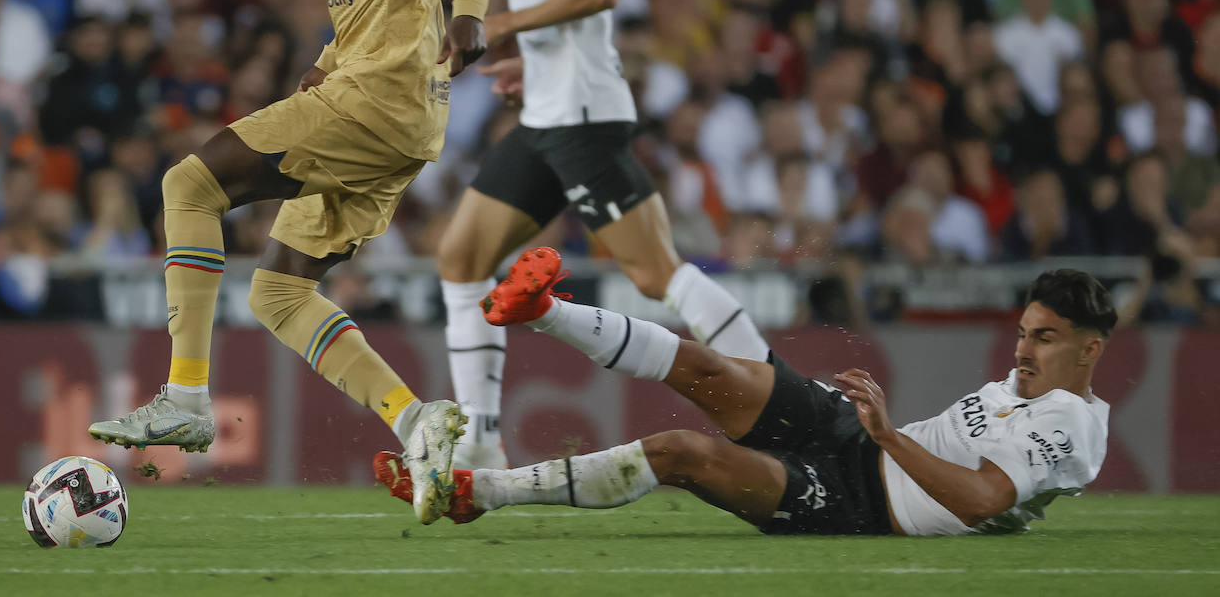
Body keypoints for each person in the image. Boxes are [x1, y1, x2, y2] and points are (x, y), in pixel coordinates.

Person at [88, 0, 489, 524]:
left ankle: (185, 397)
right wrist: (330, 57)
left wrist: (470, 14)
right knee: (277, 293)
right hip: (401, 116)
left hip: (376, 103)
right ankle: (415, 421)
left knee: (189, 185)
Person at [436, 0, 768, 469]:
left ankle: (781, 391)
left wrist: (502, 24)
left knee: (655, 273)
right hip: (550, 112)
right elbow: (571, 8)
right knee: (461, 258)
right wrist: (532, 56)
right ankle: (480, 441)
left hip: (581, 118)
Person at [379, 247, 1112, 536]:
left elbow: (985, 499)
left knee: (681, 452)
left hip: (869, 503)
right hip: (857, 438)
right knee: (717, 369)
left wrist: (889, 436)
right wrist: (878, 433)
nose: (1022, 348)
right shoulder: (1028, 389)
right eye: (1023, 331)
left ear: (1090, 349)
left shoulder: (1069, 425)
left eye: (1043, 337)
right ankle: (541, 310)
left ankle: (480, 491)